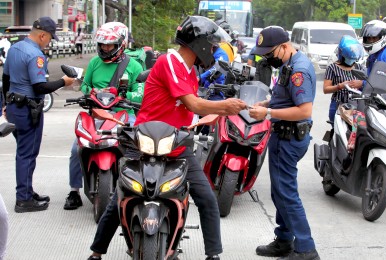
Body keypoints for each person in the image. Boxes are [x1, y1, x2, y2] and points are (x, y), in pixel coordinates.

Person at [87, 15, 247, 260]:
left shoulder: (190, 72)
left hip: (176, 143)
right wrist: (224, 107)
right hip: (144, 141)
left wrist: (209, 114)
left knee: (206, 198)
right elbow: (193, 104)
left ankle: (213, 255)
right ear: (199, 43)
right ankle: (97, 253)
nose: (214, 51)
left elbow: (185, 110)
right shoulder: (170, 62)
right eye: (212, 45)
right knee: (121, 195)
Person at [248, 26, 320, 260]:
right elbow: (283, 98)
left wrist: (268, 114)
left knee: (286, 194)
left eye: (270, 53)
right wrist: (267, 104)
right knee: (279, 191)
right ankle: (284, 240)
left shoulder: (299, 70)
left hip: (290, 136)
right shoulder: (289, 64)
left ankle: (306, 248)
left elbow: (304, 110)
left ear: (285, 46)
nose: (268, 58)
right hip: (283, 135)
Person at [63, 22, 144, 210]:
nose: (105, 49)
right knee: (76, 149)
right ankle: (74, 191)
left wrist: (122, 95)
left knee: (136, 149)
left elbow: (140, 93)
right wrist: (92, 91)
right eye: (102, 45)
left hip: (124, 114)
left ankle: (137, 188)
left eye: (110, 45)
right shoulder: (94, 63)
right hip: (96, 114)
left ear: (121, 45)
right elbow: (84, 85)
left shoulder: (134, 67)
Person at [2, 17, 75, 213]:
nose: (49, 42)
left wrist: (5, 104)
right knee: (27, 154)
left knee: (23, 151)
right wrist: (63, 82)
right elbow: (40, 86)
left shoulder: (15, 48)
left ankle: (27, 191)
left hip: (14, 107)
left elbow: (5, 78)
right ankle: (23, 199)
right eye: (50, 38)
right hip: (28, 109)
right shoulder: (36, 55)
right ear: (42, 35)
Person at [355, 20, 386, 200]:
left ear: (382, 38)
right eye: (368, 38)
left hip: (383, 104)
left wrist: (363, 84)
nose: (370, 41)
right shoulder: (374, 55)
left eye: (373, 37)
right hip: (369, 101)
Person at [323, 35, 365, 123]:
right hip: (338, 105)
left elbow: (367, 84)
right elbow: (326, 89)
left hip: (356, 106)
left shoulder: (359, 68)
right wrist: (340, 86)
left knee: (355, 131)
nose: (351, 61)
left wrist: (360, 84)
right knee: (338, 130)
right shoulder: (332, 68)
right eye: (348, 58)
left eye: (353, 59)